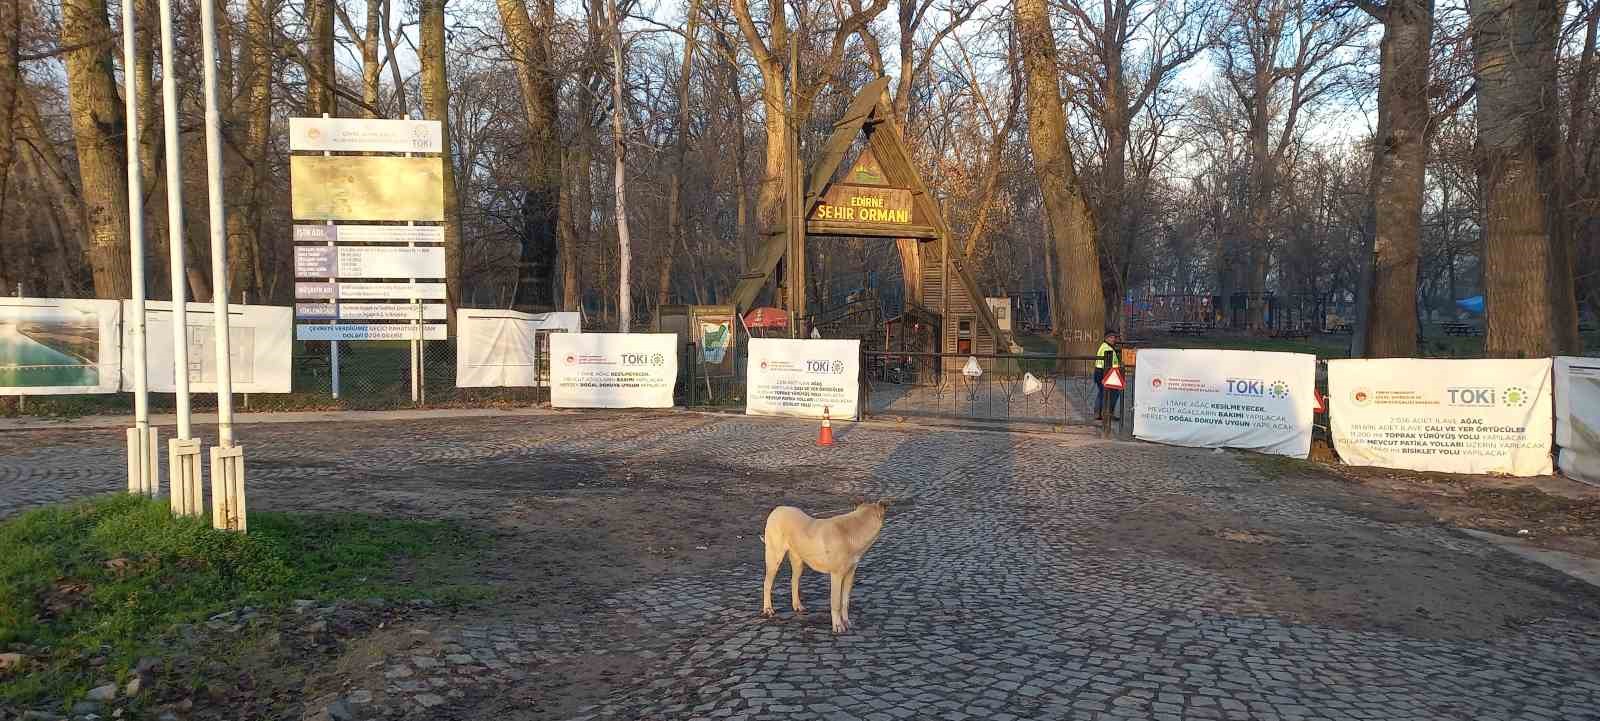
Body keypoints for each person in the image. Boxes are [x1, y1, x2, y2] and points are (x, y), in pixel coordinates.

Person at [1094, 330, 1122, 421]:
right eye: (1111, 337)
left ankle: (1098, 413)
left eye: (1114, 337)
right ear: (1106, 338)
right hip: (1107, 373)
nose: (1113, 339)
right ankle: (1108, 413)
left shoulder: (1105, 346)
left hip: (1100, 372)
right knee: (1114, 394)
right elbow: (1109, 363)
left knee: (1102, 393)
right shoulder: (1108, 348)